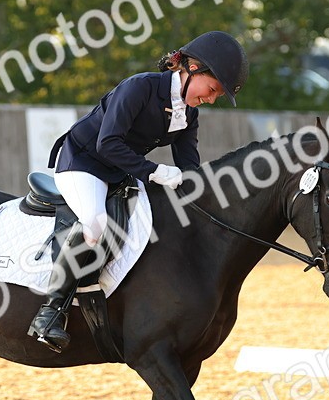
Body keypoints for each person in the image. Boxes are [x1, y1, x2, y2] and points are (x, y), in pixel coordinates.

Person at [28, 30, 249, 352]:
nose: (211, 98)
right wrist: (156, 172)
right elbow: (107, 143)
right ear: (191, 68)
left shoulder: (189, 113)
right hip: (83, 162)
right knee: (95, 223)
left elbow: (188, 164)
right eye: (212, 89)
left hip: (121, 172)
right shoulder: (140, 87)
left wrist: (204, 190)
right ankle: (50, 311)